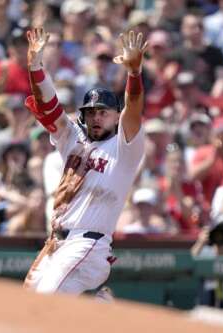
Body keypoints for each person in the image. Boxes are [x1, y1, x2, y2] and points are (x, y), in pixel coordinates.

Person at [23, 28, 146, 294]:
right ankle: (97, 306)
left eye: (103, 112)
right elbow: (48, 106)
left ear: (116, 116)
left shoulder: (124, 148)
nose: (96, 118)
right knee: (28, 305)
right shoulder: (73, 138)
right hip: (55, 243)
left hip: (87, 244)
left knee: (45, 303)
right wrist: (35, 67)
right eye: (91, 113)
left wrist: (134, 75)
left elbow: (134, 109)